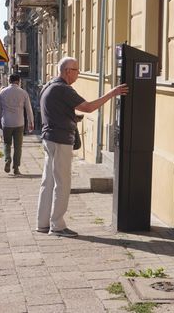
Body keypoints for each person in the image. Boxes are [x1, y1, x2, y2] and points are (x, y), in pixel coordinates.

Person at [37, 57, 129, 237]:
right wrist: (112, 93)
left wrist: (71, 117)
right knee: (62, 184)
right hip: (60, 140)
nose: (78, 73)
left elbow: (55, 111)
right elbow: (88, 107)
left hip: (49, 138)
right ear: (67, 71)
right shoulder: (63, 89)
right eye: (77, 70)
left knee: (48, 182)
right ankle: (57, 226)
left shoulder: (48, 86)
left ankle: (42, 223)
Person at [0, 73, 34, 175]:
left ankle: (7, 160)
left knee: (6, 144)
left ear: (9, 81)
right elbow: (29, 109)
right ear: (19, 81)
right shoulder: (23, 93)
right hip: (19, 123)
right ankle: (16, 168)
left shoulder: (2, 93)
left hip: (6, 122)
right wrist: (31, 122)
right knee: (18, 147)